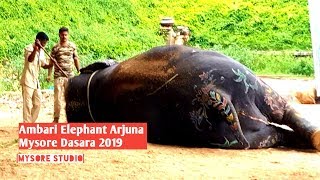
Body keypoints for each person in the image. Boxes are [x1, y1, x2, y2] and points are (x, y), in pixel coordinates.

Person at [48, 27, 80, 123]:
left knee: (70, 99)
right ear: (59, 35)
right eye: (62, 35)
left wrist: (79, 70)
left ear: (68, 35)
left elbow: (76, 58)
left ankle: (70, 119)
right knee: (57, 99)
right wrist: (49, 75)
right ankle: (56, 118)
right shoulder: (55, 47)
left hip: (70, 76)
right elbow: (51, 63)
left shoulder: (72, 46)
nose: (64, 36)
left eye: (66, 35)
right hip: (58, 76)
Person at [20, 32, 52, 123]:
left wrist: (51, 64)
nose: (44, 45)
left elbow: (43, 65)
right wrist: (35, 49)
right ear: (38, 40)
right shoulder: (29, 48)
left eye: (45, 43)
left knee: (38, 103)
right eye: (43, 43)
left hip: (35, 81)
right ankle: (26, 124)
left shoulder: (42, 51)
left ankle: (31, 122)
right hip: (27, 80)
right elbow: (30, 59)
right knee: (27, 104)